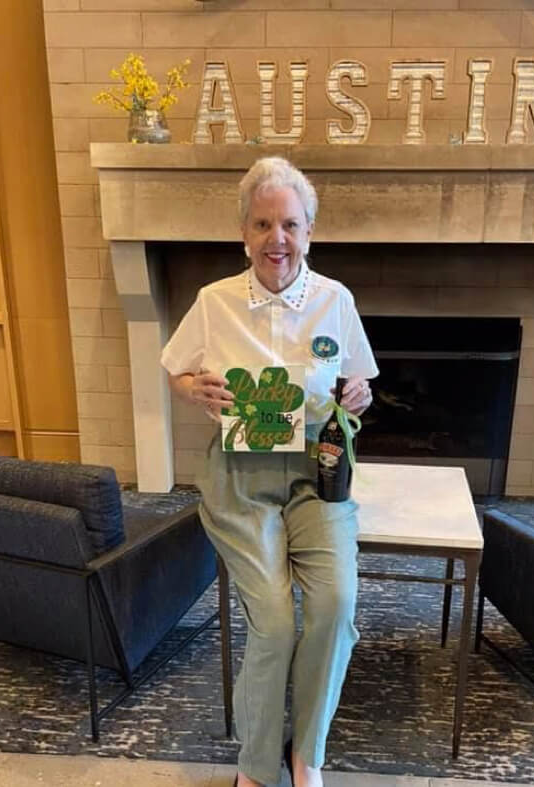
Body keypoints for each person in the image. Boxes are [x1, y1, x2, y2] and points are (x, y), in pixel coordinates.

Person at [161, 156, 378, 787]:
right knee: (276, 621)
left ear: (309, 230)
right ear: (244, 233)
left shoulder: (336, 300)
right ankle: (254, 768)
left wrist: (357, 395)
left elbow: (356, 381)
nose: (275, 239)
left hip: (317, 470)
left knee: (336, 605)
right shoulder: (214, 301)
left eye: (289, 224)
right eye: (262, 224)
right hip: (240, 474)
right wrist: (193, 390)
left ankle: (304, 754)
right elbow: (176, 368)